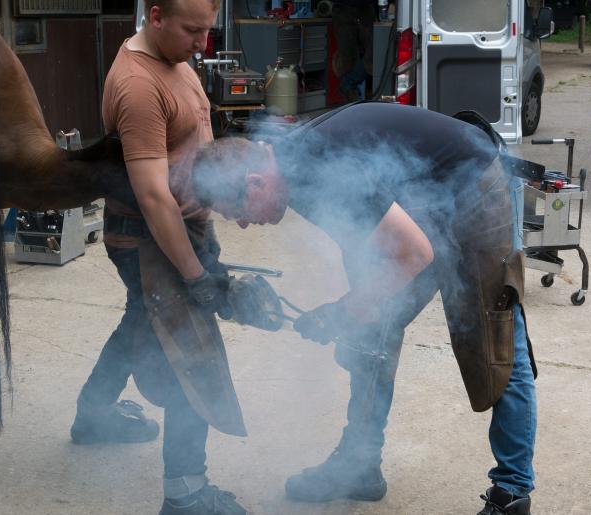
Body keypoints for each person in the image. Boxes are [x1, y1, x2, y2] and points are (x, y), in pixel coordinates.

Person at [190, 102, 539, 515]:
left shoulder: (313, 167)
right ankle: (360, 466)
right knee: (372, 331)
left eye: (239, 214)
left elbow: (413, 254)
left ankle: (512, 490)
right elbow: (366, 245)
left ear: (255, 183)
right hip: (424, 201)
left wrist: (344, 310)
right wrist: (358, 310)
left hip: (473, 186)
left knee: (495, 338)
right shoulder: (287, 171)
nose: (246, 225)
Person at [71, 1, 248, 514]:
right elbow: (152, 197)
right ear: (155, 16)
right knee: (190, 355)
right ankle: (186, 494)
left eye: (207, 30)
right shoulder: (139, 85)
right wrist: (196, 276)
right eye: (193, 30)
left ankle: (93, 413)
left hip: (184, 230)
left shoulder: (177, 61)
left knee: (138, 324)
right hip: (149, 240)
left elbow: (198, 151)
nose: (202, 43)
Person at [331, 0, 376, 102]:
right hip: (342, 10)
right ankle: (351, 98)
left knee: (374, 55)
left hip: (366, 9)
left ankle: (348, 84)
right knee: (348, 58)